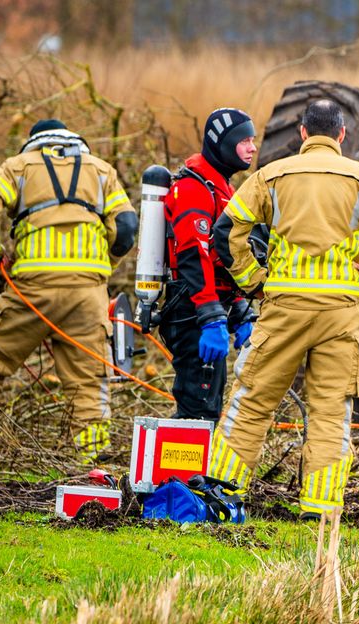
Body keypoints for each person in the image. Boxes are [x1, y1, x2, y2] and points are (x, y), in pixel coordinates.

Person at [208, 100, 359, 518]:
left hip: (283, 306)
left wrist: (253, 279)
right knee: (330, 410)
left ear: (303, 135)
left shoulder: (271, 176)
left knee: (252, 399)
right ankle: (321, 508)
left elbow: (226, 230)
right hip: (339, 312)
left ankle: (221, 491)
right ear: (342, 135)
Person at [0, 119, 138, 462]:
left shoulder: (18, 166)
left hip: (33, 291)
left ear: (34, 143)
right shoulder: (102, 171)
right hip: (87, 297)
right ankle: (94, 464)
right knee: (89, 384)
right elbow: (126, 227)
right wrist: (102, 269)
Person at [158, 108, 259, 422]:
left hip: (208, 309)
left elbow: (223, 259)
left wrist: (239, 309)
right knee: (197, 405)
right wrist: (211, 317)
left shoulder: (222, 189)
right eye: (244, 140)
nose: (252, 148)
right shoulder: (192, 189)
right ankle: (176, 473)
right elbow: (192, 255)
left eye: (253, 140)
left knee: (209, 401)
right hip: (191, 312)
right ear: (222, 143)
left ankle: (191, 472)